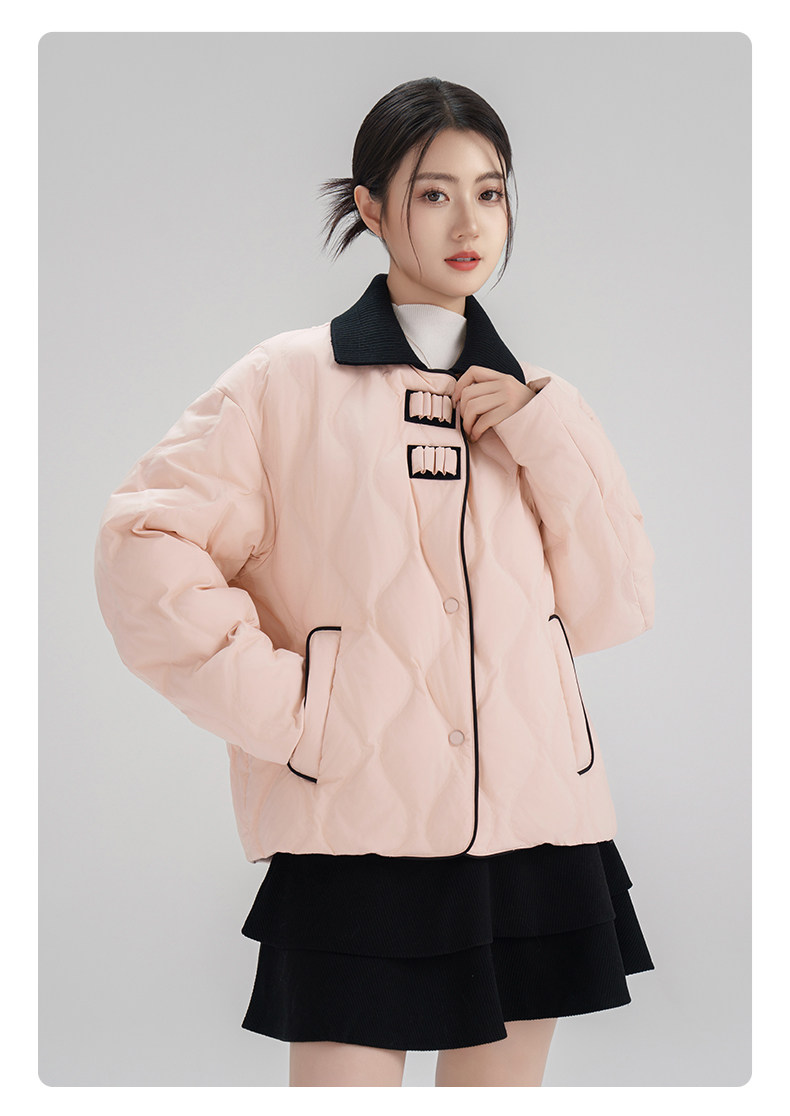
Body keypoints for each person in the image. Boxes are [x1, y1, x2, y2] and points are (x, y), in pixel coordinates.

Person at [94, 76, 656, 1087]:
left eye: (490, 192)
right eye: (434, 193)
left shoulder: (538, 405)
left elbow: (615, 604)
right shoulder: (284, 381)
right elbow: (144, 539)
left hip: (535, 830)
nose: (469, 224)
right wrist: (296, 712)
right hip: (355, 829)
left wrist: (544, 431)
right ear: (371, 206)